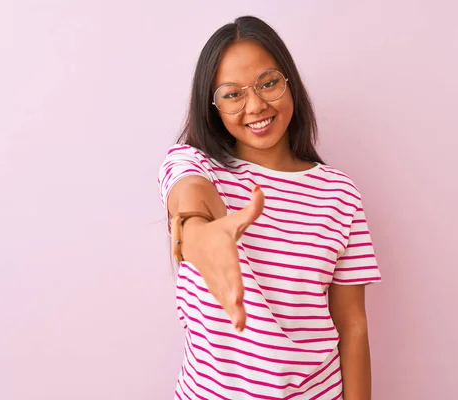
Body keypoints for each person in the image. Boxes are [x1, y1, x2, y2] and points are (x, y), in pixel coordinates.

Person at [158, 15, 381, 399]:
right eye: (233, 94)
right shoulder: (195, 165)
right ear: (212, 106)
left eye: (268, 83)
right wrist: (197, 233)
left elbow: (352, 325)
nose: (256, 105)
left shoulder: (339, 194)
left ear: (289, 81)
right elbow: (189, 197)